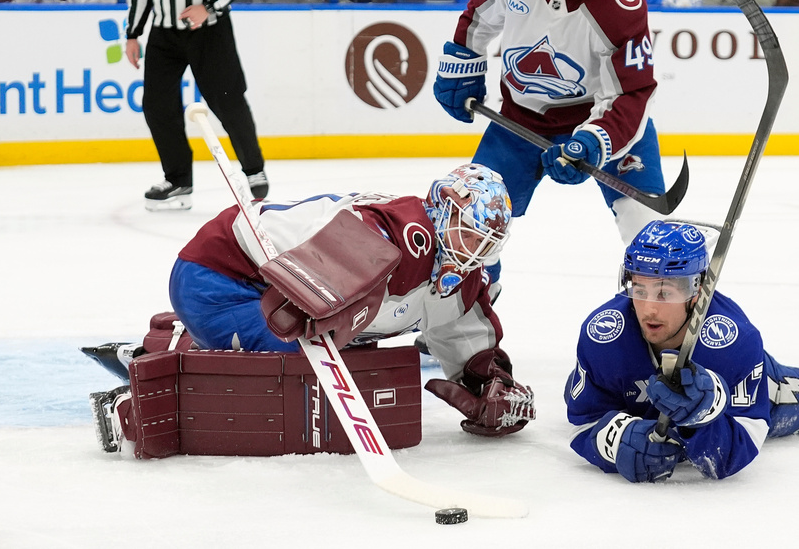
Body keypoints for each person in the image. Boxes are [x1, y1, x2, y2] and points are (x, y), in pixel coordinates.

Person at [85, 163, 536, 451]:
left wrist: (489, 385)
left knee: (332, 362)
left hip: (260, 289)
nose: (474, 251)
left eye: (486, 243)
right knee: (302, 375)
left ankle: (171, 341)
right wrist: (327, 301)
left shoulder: (458, 271)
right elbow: (333, 263)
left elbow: (461, 335)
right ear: (440, 211)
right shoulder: (399, 232)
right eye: (469, 234)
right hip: (221, 274)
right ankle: (146, 390)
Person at [564, 220, 799, 482]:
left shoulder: (730, 340)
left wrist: (703, 417)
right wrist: (614, 441)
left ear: (697, 290)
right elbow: (583, 419)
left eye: (667, 292)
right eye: (640, 288)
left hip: (745, 391)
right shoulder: (604, 334)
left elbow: (739, 447)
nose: (649, 307)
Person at [434, 0, 669, 289]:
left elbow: (631, 93)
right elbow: (478, 17)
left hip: (604, 121)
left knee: (655, 241)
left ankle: (666, 326)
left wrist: (594, 141)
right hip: (519, 123)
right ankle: (462, 327)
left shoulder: (623, 2)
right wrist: (463, 63)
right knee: (467, 227)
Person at [126, 0, 267, 211]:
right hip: (164, 34)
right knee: (157, 106)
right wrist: (132, 34)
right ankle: (177, 179)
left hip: (210, 31)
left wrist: (209, 6)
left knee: (227, 100)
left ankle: (254, 171)